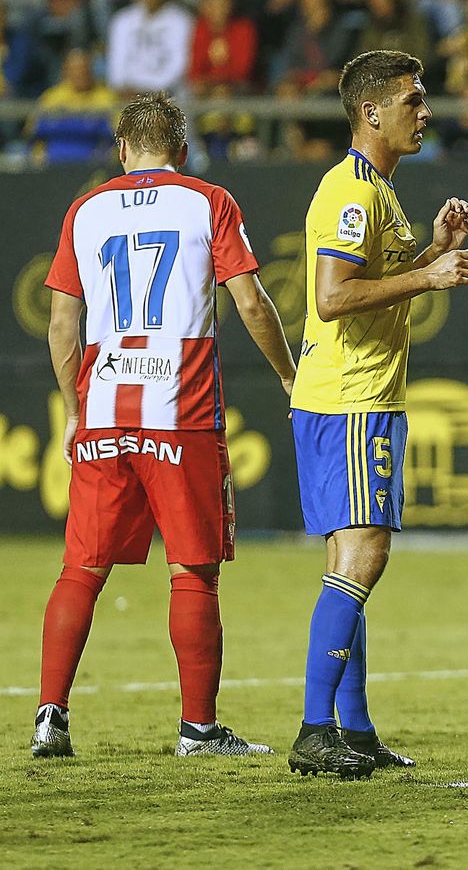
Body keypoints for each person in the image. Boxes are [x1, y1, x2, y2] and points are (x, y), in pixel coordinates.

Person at [34, 93, 297, 759]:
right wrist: (290, 375)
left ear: (122, 150)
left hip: (103, 411)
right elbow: (252, 302)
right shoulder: (208, 200)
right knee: (194, 569)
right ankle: (198, 729)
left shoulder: (85, 209)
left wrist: (73, 409)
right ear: (183, 150)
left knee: (82, 567)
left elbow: (62, 324)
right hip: (179, 411)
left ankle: (49, 718)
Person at [286, 50, 468, 778]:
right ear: (371, 112)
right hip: (351, 397)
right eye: (412, 100)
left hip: (349, 395)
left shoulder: (381, 192)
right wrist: (429, 273)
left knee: (349, 560)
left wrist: (432, 247)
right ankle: (313, 728)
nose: (424, 112)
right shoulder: (350, 191)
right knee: (365, 554)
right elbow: (334, 297)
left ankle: (354, 729)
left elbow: (373, 280)